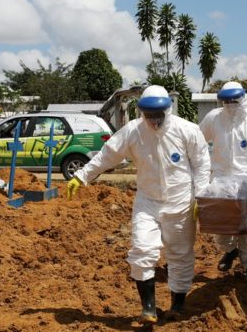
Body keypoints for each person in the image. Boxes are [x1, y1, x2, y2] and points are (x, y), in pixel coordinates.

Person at [66, 85, 210, 324]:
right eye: (148, 115)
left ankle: (178, 305)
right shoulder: (133, 131)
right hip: (148, 202)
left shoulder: (188, 130)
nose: (153, 120)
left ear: (168, 109)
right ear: (141, 111)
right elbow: (107, 155)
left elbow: (202, 164)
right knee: (142, 250)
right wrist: (82, 176)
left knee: (180, 255)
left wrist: (201, 197)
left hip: (181, 202)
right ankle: (149, 309)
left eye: (158, 115)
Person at [198, 81, 247, 280]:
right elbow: (197, 139)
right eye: (226, 101)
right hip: (221, 181)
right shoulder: (214, 118)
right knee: (220, 226)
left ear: (243, 99)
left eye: (234, 101)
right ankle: (229, 251)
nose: (230, 105)